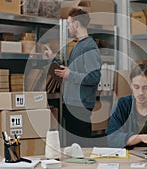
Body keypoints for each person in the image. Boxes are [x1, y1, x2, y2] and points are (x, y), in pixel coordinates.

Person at [44, 8, 102, 146]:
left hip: (80, 106)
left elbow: (94, 77)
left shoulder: (89, 47)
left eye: (69, 23)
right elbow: (69, 70)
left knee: (80, 148)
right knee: (72, 148)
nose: (68, 27)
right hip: (71, 103)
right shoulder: (78, 45)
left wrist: (71, 74)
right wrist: (53, 58)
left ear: (76, 24)